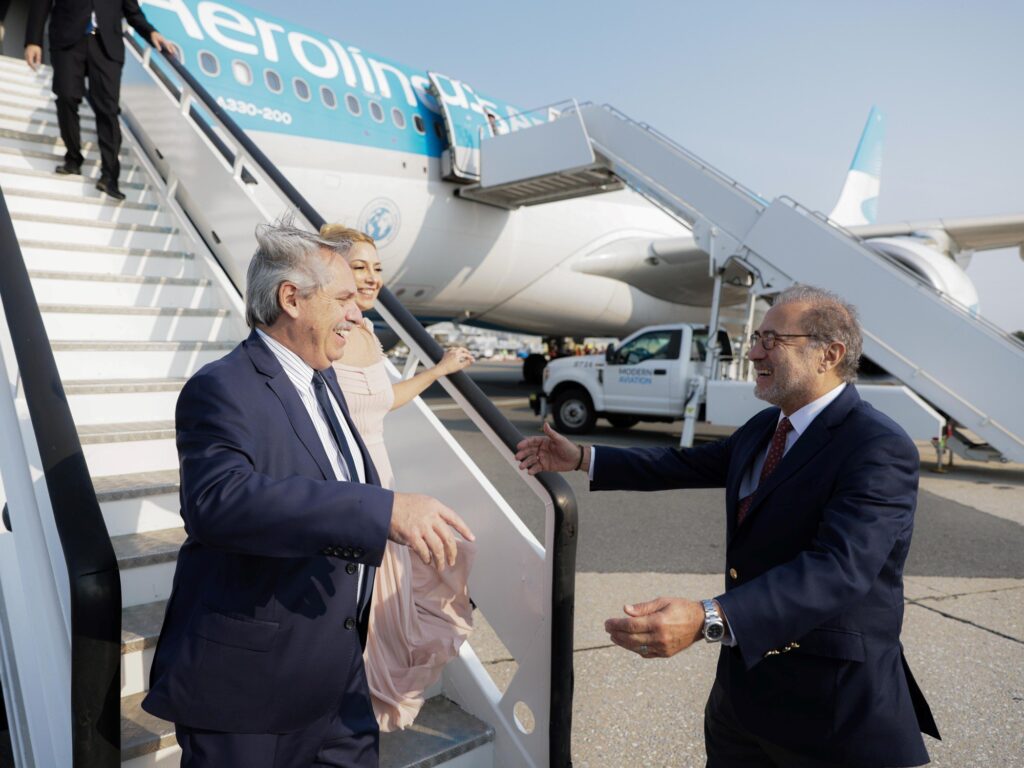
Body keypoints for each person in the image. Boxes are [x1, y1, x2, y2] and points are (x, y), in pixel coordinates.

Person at [515, 284, 939, 767]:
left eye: (773, 340)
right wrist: (583, 457)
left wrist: (708, 617)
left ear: (830, 354)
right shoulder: (768, 426)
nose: (754, 353)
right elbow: (683, 464)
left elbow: (839, 569)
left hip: (830, 708)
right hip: (743, 697)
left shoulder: (877, 445)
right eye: (756, 338)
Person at [142, 221, 474, 768]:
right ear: (291, 299)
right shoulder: (221, 386)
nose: (357, 313)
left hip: (338, 681)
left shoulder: (325, 379)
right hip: (251, 694)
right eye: (342, 298)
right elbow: (218, 503)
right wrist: (381, 510)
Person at [320, 224, 476, 731]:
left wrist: (438, 371)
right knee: (355, 615)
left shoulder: (365, 330)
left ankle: (354, 721)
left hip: (381, 486)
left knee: (385, 614)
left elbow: (383, 400)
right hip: (348, 491)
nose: (371, 278)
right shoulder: (328, 335)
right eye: (359, 267)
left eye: (377, 268)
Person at [24, 0, 169, 201]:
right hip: (67, 39)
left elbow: (133, 12)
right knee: (66, 96)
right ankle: (73, 157)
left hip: (106, 45)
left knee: (108, 109)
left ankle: (110, 177)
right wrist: (33, 40)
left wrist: (151, 32)